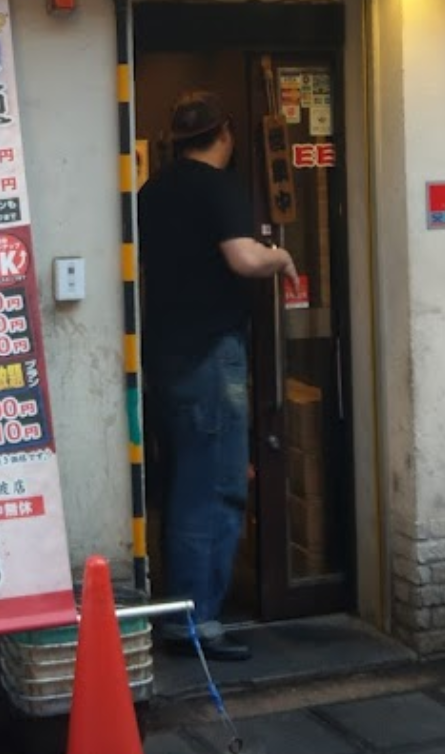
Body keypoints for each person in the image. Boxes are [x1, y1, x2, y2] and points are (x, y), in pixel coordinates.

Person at [139, 89, 298, 662]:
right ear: (226, 133)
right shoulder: (219, 187)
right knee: (214, 488)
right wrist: (281, 257)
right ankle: (196, 622)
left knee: (184, 482)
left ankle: (178, 611)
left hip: (165, 353)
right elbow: (244, 258)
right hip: (209, 353)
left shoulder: (152, 191)